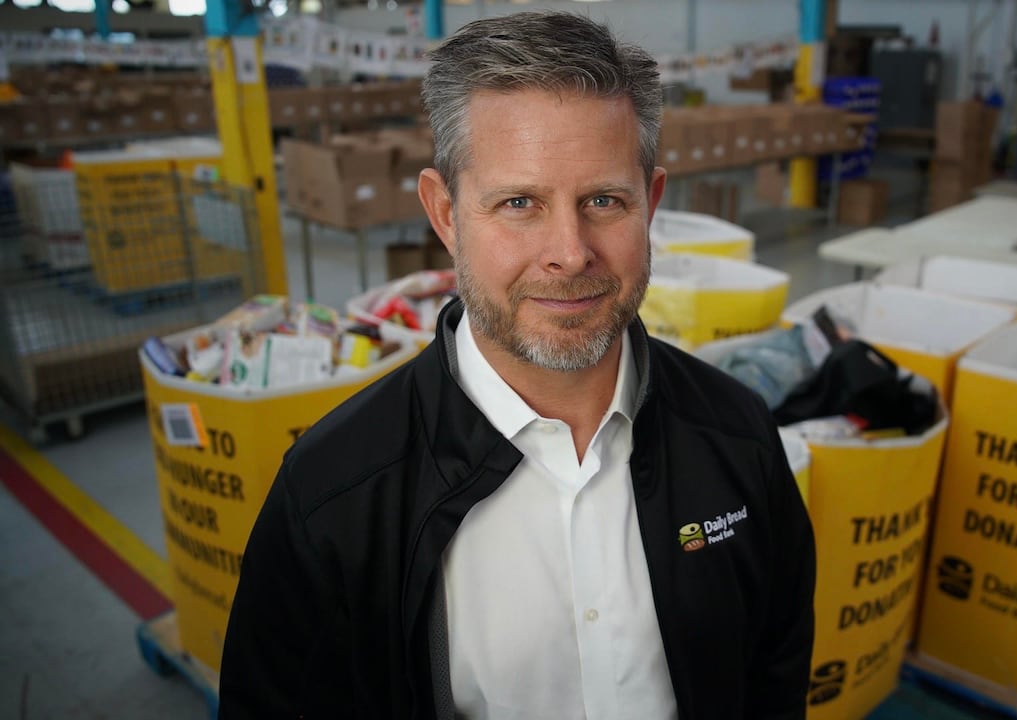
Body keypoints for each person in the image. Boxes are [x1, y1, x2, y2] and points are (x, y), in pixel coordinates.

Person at [219, 11, 815, 719]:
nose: (570, 251)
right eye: (519, 203)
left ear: (649, 204)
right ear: (445, 214)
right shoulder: (333, 499)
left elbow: (773, 679)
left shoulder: (737, 436)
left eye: (603, 200)